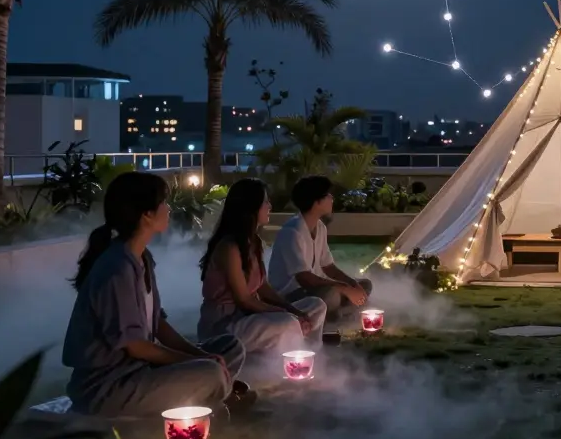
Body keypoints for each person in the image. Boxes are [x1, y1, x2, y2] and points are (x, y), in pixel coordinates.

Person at [62, 172, 250, 417]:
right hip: (107, 386)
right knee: (211, 372)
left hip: (139, 370)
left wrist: (202, 355)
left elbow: (158, 325)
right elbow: (136, 347)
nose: (168, 209)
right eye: (164, 202)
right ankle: (215, 395)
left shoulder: (142, 258)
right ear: (147, 214)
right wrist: (195, 362)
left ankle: (215, 390)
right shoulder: (116, 269)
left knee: (229, 347)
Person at [198, 178, 327, 353]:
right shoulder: (229, 247)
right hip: (225, 325)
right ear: (250, 207)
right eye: (265, 201)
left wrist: (293, 310)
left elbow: (263, 286)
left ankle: (311, 354)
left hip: (250, 317)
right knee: (288, 322)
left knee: (316, 306)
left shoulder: (254, 242)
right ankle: (282, 360)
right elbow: (244, 300)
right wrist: (286, 314)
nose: (270, 206)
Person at [267, 175, 373, 320]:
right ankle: (339, 312)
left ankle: (338, 312)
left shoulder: (320, 227)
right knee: (330, 295)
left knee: (365, 285)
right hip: (293, 293)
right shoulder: (292, 232)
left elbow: (329, 267)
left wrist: (352, 284)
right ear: (316, 202)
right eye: (328, 195)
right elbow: (305, 279)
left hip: (315, 288)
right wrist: (343, 288)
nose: (332, 198)